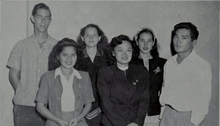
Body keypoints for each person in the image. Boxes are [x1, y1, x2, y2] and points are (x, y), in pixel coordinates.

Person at [6, 3, 57, 126]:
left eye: (46, 18)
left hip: (50, 107)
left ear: (50, 20)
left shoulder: (57, 47)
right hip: (25, 107)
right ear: (32, 19)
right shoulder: (21, 46)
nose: (43, 21)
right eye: (39, 17)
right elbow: (13, 75)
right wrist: (23, 93)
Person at [159, 22, 212, 126]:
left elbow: (203, 100)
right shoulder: (169, 63)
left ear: (193, 42)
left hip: (187, 118)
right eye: (176, 37)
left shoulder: (201, 65)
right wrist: (162, 116)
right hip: (167, 114)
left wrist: (194, 123)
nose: (178, 41)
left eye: (184, 38)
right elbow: (165, 90)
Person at [36, 38, 95, 126]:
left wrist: (79, 118)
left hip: (78, 122)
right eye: (65, 55)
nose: (69, 59)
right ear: (58, 56)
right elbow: (40, 106)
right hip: (54, 122)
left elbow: (88, 103)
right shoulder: (47, 77)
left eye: (73, 55)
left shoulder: (84, 76)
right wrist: (58, 121)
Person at [97, 35, 150, 126]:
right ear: (113, 52)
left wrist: (137, 122)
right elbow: (106, 104)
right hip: (112, 123)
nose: (125, 54)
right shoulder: (105, 72)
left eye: (128, 50)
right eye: (120, 50)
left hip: (135, 123)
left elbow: (144, 99)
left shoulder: (141, 71)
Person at [130, 28, 166, 126]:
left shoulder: (163, 63)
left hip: (155, 114)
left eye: (149, 41)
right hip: (134, 115)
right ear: (137, 42)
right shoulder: (130, 64)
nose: (145, 45)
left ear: (153, 42)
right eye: (142, 40)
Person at [74, 23, 108, 126]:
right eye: (88, 35)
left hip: (104, 109)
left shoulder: (108, 58)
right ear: (82, 38)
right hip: (81, 109)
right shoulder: (76, 58)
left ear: (99, 38)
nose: (91, 38)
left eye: (94, 35)